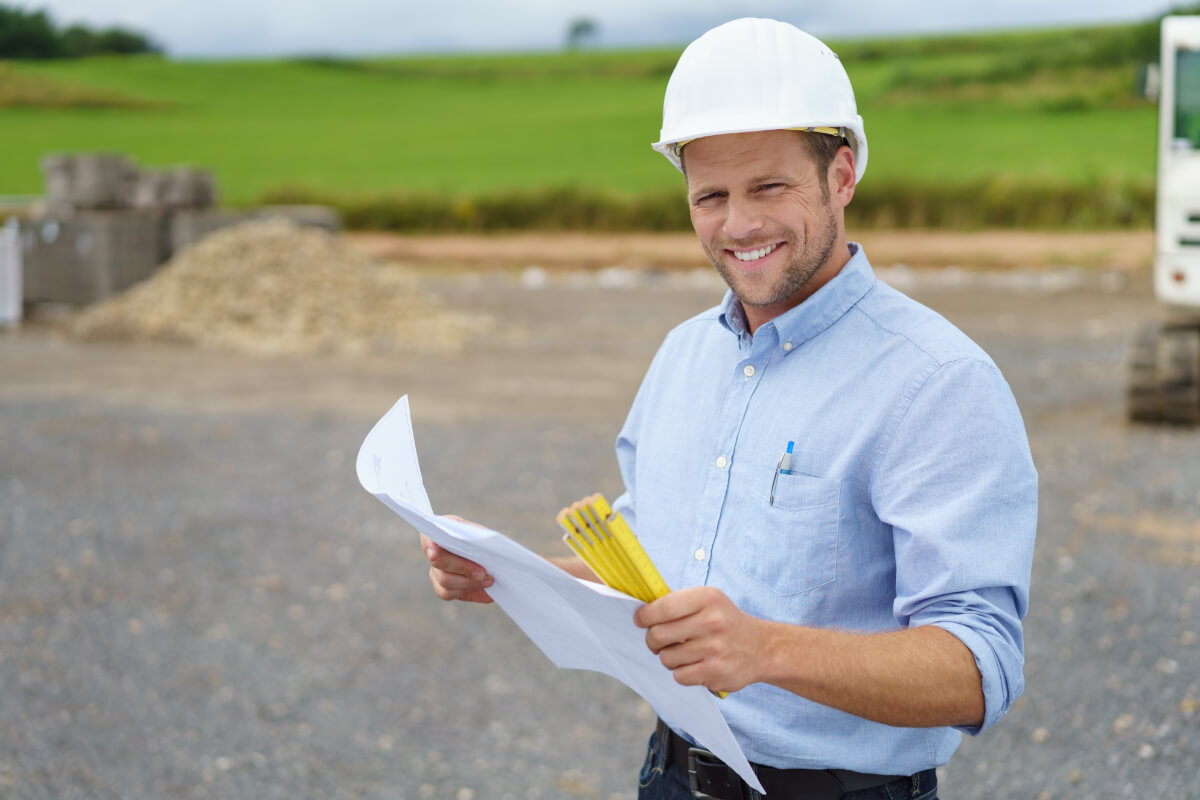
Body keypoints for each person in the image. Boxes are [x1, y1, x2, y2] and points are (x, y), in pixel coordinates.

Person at [422, 17, 1038, 800]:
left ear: (842, 174)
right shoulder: (684, 355)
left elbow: (979, 665)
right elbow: (657, 578)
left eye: (770, 187)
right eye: (710, 195)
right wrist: (515, 576)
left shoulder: (938, 381)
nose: (739, 225)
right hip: (671, 775)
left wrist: (764, 650)